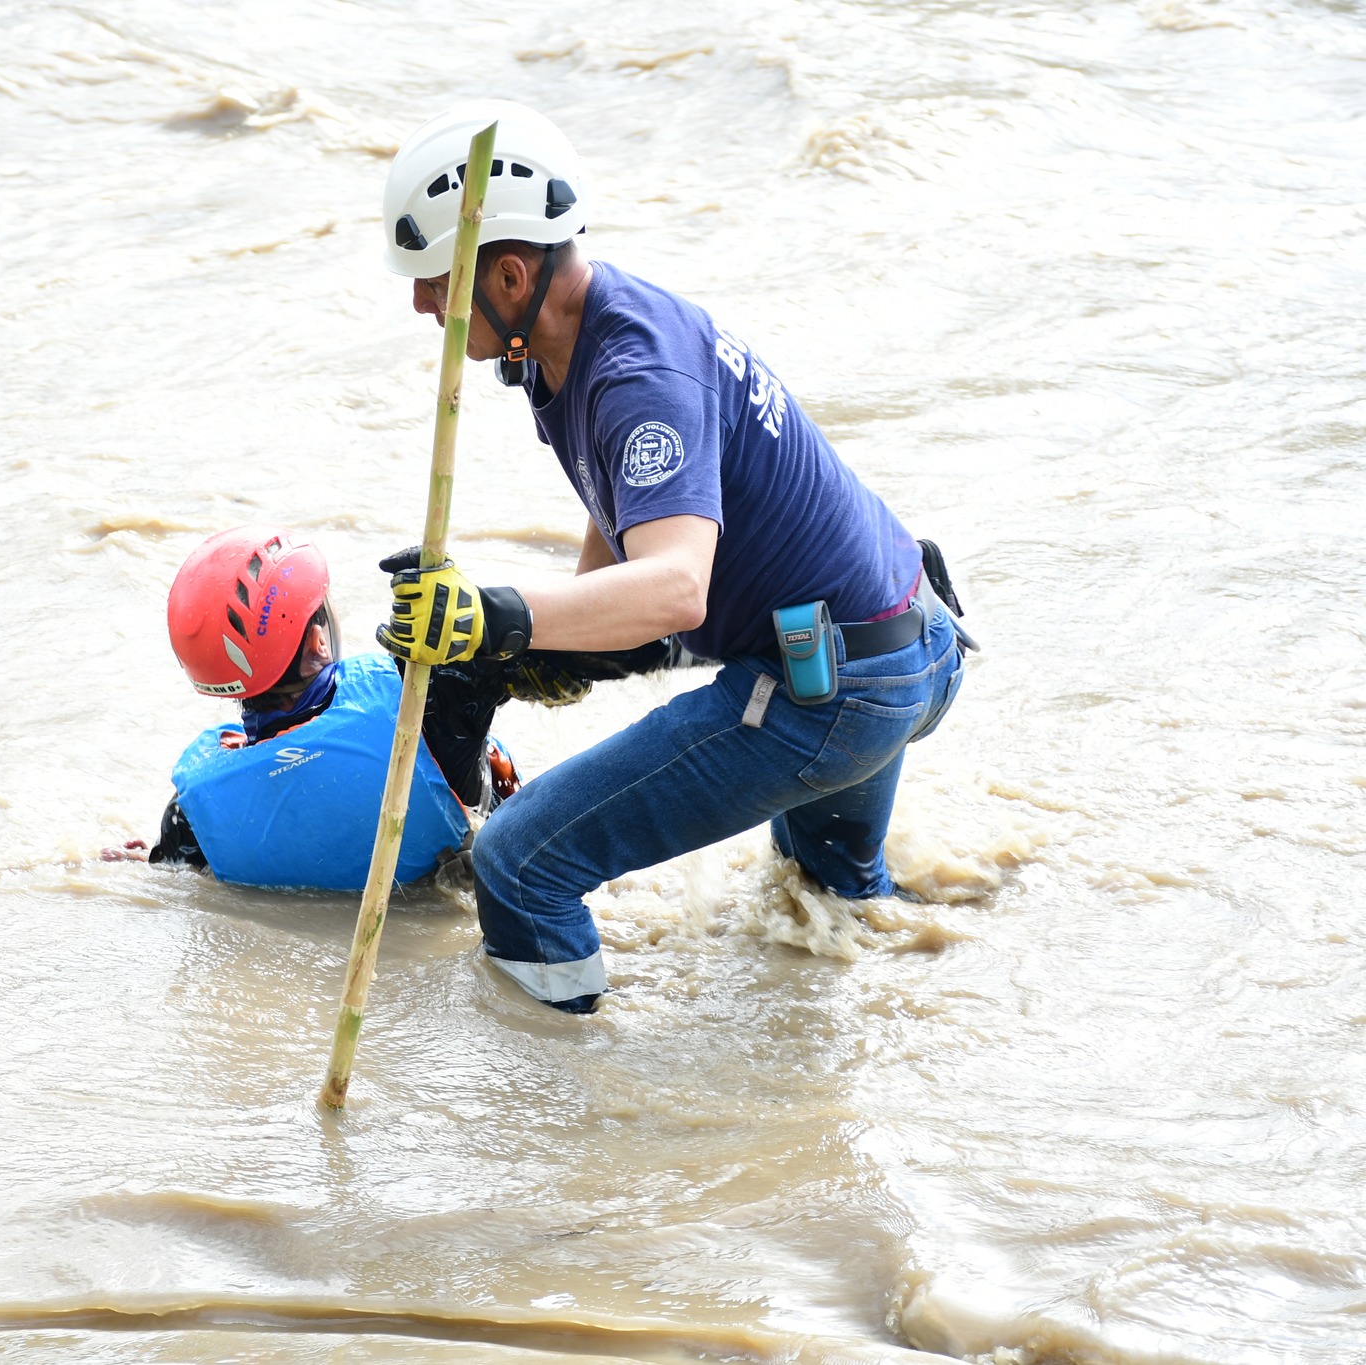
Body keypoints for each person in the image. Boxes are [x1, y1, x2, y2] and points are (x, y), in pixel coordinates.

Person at [374, 101, 975, 1012]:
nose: (421, 304)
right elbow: (618, 557)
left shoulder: (635, 374)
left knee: (519, 865)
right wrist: (512, 653)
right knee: (824, 907)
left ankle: (575, 1116)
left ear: (506, 273)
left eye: (432, 280)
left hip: (836, 686)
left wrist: (493, 613)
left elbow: (677, 586)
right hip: (893, 643)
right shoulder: (561, 351)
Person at [144, 524, 684, 891]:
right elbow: (604, 645)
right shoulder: (427, 699)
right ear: (319, 645)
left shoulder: (192, 817)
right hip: (476, 887)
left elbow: (166, 878)